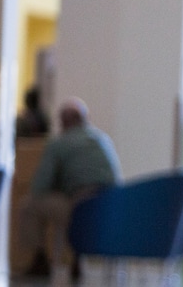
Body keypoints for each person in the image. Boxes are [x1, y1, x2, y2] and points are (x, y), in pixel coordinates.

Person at [18, 97, 121, 285]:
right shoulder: (102, 139)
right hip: (109, 206)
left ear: (62, 122)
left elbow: (39, 187)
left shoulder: (58, 144)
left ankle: (39, 259)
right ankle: (75, 260)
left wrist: (60, 185)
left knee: (28, 205)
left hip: (79, 206)